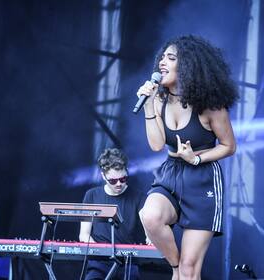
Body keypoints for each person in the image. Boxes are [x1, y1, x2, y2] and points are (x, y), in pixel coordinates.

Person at [137, 35, 238, 280]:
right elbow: (156, 144)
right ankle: (173, 266)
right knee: (149, 216)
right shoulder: (159, 99)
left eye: (171, 58)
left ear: (188, 66)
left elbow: (229, 146)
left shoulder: (210, 106)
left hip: (202, 177)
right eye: (162, 57)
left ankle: (181, 272)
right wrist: (149, 107)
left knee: (190, 270)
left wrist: (195, 159)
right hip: (171, 170)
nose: (162, 62)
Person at [79, 148, 147, 280]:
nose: (119, 184)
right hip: (98, 263)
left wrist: (151, 239)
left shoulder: (139, 197)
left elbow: (149, 231)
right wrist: (101, 252)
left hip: (129, 263)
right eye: (113, 181)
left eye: (123, 179)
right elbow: (84, 235)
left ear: (127, 171)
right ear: (103, 176)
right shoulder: (91, 195)